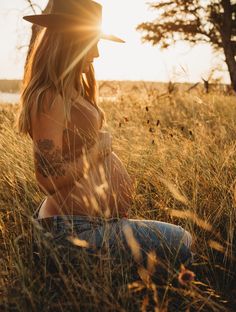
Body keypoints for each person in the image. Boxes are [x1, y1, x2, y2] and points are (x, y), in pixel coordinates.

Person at [17, 0, 193, 279]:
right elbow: (47, 179)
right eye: (92, 42)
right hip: (71, 232)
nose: (97, 53)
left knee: (181, 242)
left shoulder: (72, 90)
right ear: (69, 41)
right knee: (179, 245)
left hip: (89, 223)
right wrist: (99, 150)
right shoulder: (50, 97)